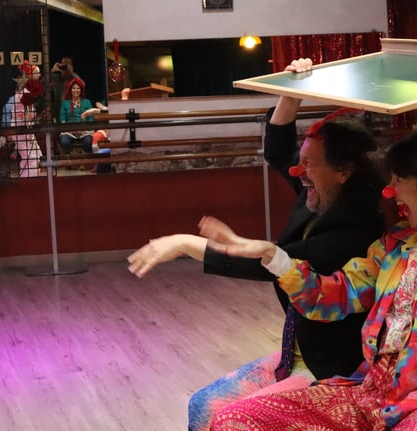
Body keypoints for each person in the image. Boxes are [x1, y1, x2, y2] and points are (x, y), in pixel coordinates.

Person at [203, 91, 417, 431]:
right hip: (370, 398)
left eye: (398, 181)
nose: (389, 191)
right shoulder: (395, 246)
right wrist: (273, 257)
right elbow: (329, 297)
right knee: (233, 419)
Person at [128, 58, 388, 431]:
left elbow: (263, 263)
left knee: (230, 420)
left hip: (332, 370)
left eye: (308, 164)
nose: (298, 172)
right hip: (296, 353)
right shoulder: (320, 195)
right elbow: (278, 151)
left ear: (344, 172)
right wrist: (291, 95)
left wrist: (184, 243)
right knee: (202, 406)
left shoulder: (354, 231)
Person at [2, 62, 43, 177]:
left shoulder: (25, 93)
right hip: (21, 128)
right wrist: (32, 115)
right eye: (37, 73)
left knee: (32, 156)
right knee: (31, 158)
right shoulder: (24, 94)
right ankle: (28, 180)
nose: (39, 75)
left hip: (24, 127)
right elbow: (24, 115)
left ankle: (28, 177)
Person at [58, 76, 101, 154]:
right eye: (74, 88)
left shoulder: (87, 102)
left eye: (78, 88)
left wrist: (84, 129)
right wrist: (70, 129)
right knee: (64, 142)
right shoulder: (65, 103)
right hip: (69, 131)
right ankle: (73, 155)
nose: (76, 90)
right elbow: (62, 119)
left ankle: (85, 158)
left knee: (88, 141)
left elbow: (90, 119)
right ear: (70, 90)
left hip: (85, 130)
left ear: (81, 90)